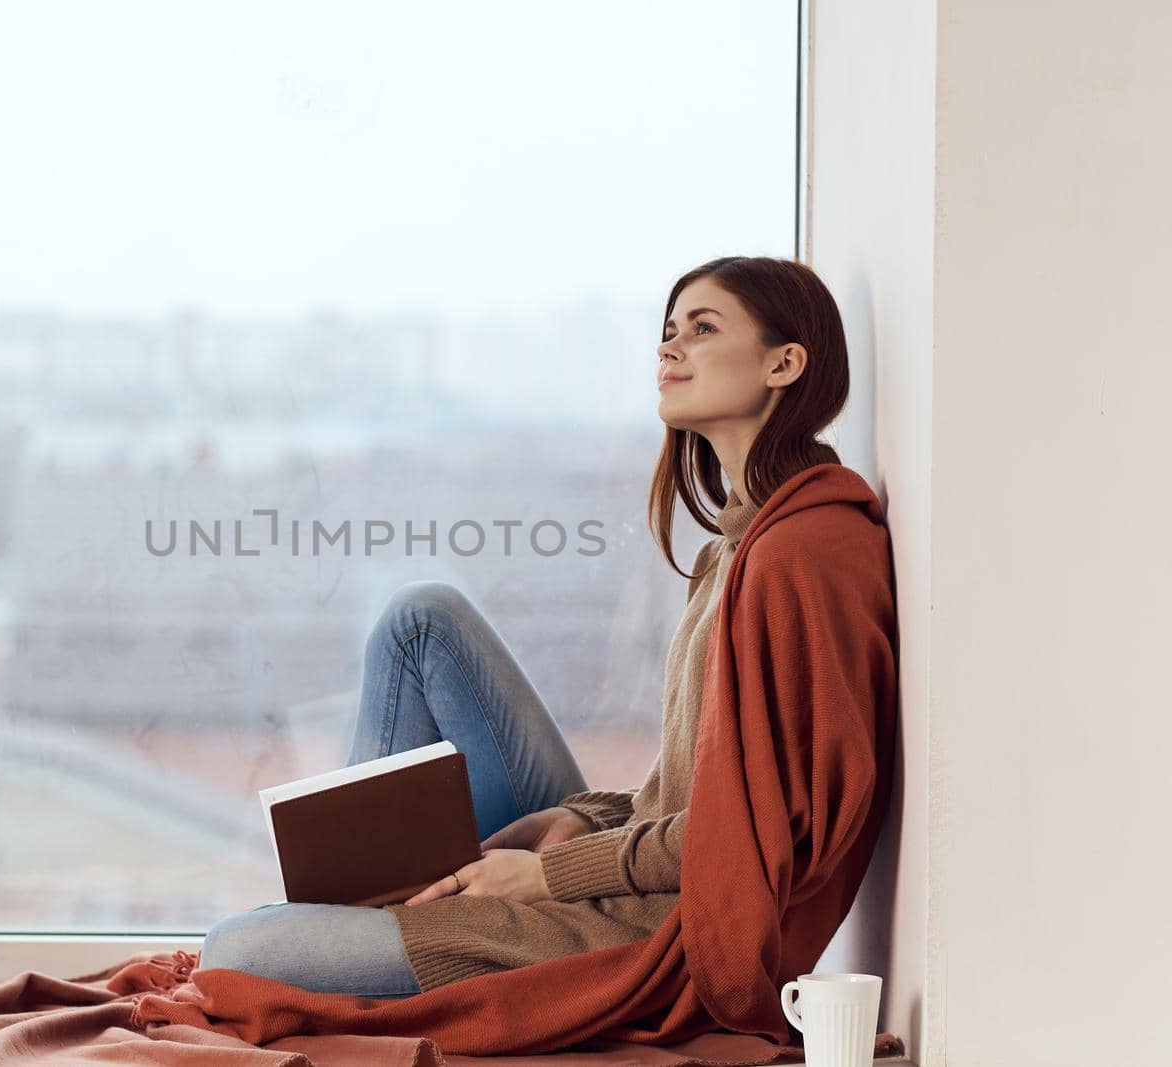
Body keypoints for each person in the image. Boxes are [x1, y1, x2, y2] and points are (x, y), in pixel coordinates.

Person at [198, 254, 888, 998]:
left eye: (703, 327)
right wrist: (575, 821)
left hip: (654, 932)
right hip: (629, 871)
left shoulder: (805, 554)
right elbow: (689, 797)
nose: (669, 347)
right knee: (421, 620)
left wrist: (548, 875)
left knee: (234, 949)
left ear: (784, 362)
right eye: (667, 330)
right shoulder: (736, 548)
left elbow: (756, 838)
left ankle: (368, 915)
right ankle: (374, 898)